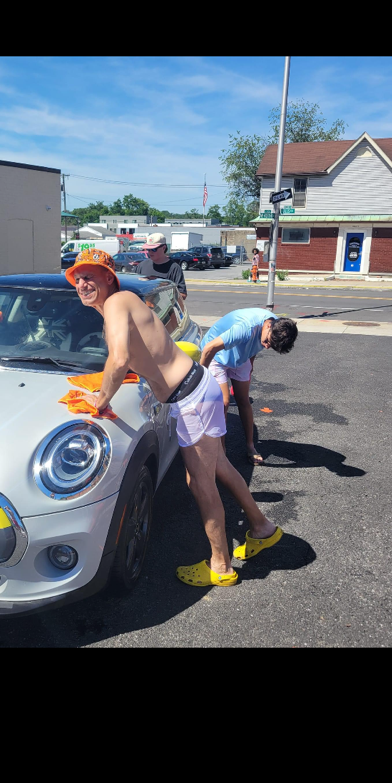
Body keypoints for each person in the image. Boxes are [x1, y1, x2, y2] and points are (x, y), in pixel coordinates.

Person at [65, 249, 282, 587]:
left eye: (89, 276)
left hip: (190, 398)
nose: (82, 284)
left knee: (200, 483)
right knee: (220, 466)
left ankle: (221, 567)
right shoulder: (120, 306)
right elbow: (133, 355)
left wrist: (100, 400)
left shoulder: (117, 301)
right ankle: (262, 528)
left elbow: (119, 359)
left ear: (109, 277)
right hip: (199, 387)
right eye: (77, 279)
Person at [200, 308, 298, 465]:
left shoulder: (276, 327)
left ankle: (250, 446)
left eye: (271, 346)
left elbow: (255, 345)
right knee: (223, 402)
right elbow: (209, 348)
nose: (267, 346)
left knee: (243, 400)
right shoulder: (245, 328)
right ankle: (221, 453)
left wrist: (250, 365)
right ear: (268, 326)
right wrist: (201, 378)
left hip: (241, 356)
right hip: (216, 356)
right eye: (267, 342)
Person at [134, 233, 187, 306]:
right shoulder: (141, 266)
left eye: (154, 249)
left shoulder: (174, 268)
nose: (150, 252)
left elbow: (183, 294)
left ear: (163, 248)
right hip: (142, 309)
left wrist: (160, 294)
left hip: (163, 311)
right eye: (148, 249)